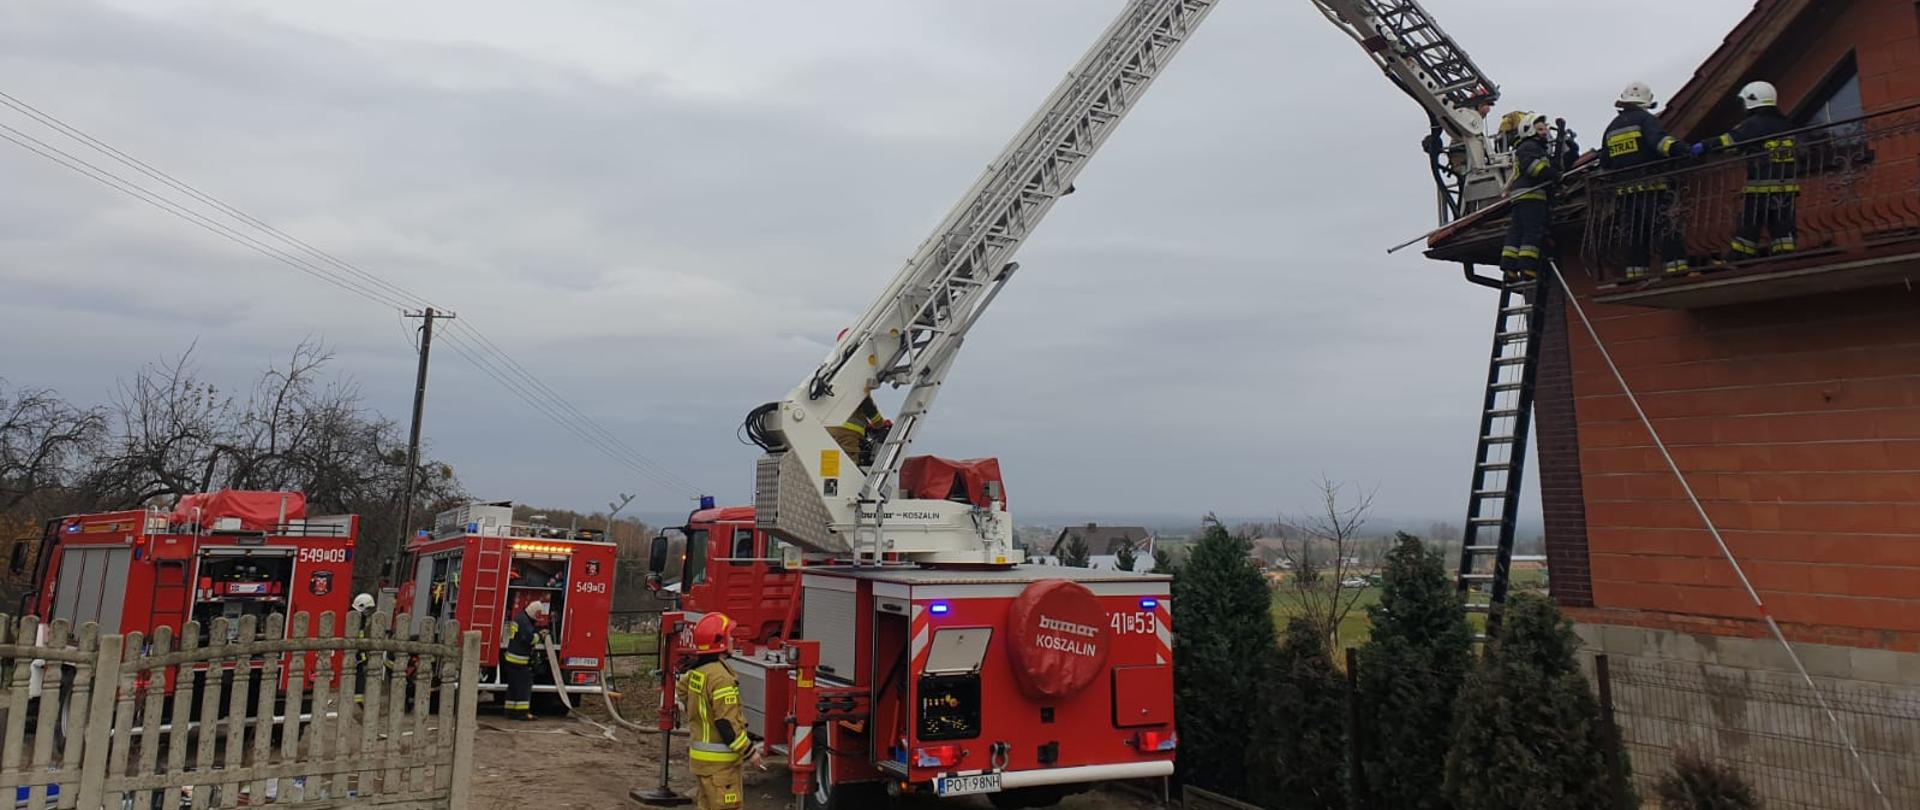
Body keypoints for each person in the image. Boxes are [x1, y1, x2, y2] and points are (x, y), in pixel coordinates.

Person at [1695, 81, 1799, 258]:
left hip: (1761, 187)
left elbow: (1732, 140)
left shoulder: (1754, 123)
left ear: (1752, 99)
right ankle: (1784, 257)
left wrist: (1704, 145)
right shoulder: (1785, 123)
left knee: (1750, 224)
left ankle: (1740, 258)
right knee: (1782, 226)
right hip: (1787, 187)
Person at [1601, 82, 1693, 279]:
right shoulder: (1645, 119)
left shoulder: (1611, 127)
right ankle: (1676, 268)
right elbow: (1660, 142)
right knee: (1665, 226)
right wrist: (1682, 150)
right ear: (1645, 102)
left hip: (1623, 193)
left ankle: (1636, 274)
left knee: (1635, 234)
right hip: (1651, 186)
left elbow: (1606, 162)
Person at [680, 613, 760, 810]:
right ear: (720, 641)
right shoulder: (721, 678)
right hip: (721, 768)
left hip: (702, 763)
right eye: (729, 635)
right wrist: (750, 751)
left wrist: (701, 712)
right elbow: (726, 724)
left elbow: (682, 689)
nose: (732, 639)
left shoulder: (698, 673)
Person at [1500, 112, 1559, 282]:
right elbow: (1533, 168)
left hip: (1520, 196)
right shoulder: (1529, 146)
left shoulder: (1528, 146)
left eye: (1545, 129)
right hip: (1532, 195)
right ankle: (1527, 267)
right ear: (1529, 130)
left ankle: (1509, 268)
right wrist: (1552, 174)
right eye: (1540, 129)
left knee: (1516, 231)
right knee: (1532, 231)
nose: (1544, 132)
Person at [500, 599, 548, 721]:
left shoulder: (520, 617)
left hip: (511, 658)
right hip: (519, 660)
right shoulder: (525, 622)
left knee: (513, 686)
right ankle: (522, 712)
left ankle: (510, 711)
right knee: (524, 685)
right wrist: (540, 636)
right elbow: (529, 639)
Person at [826, 394, 891, 465]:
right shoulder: (857, 389)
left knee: (830, 465)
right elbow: (868, 407)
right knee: (848, 464)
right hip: (847, 433)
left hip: (829, 431)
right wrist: (879, 424)